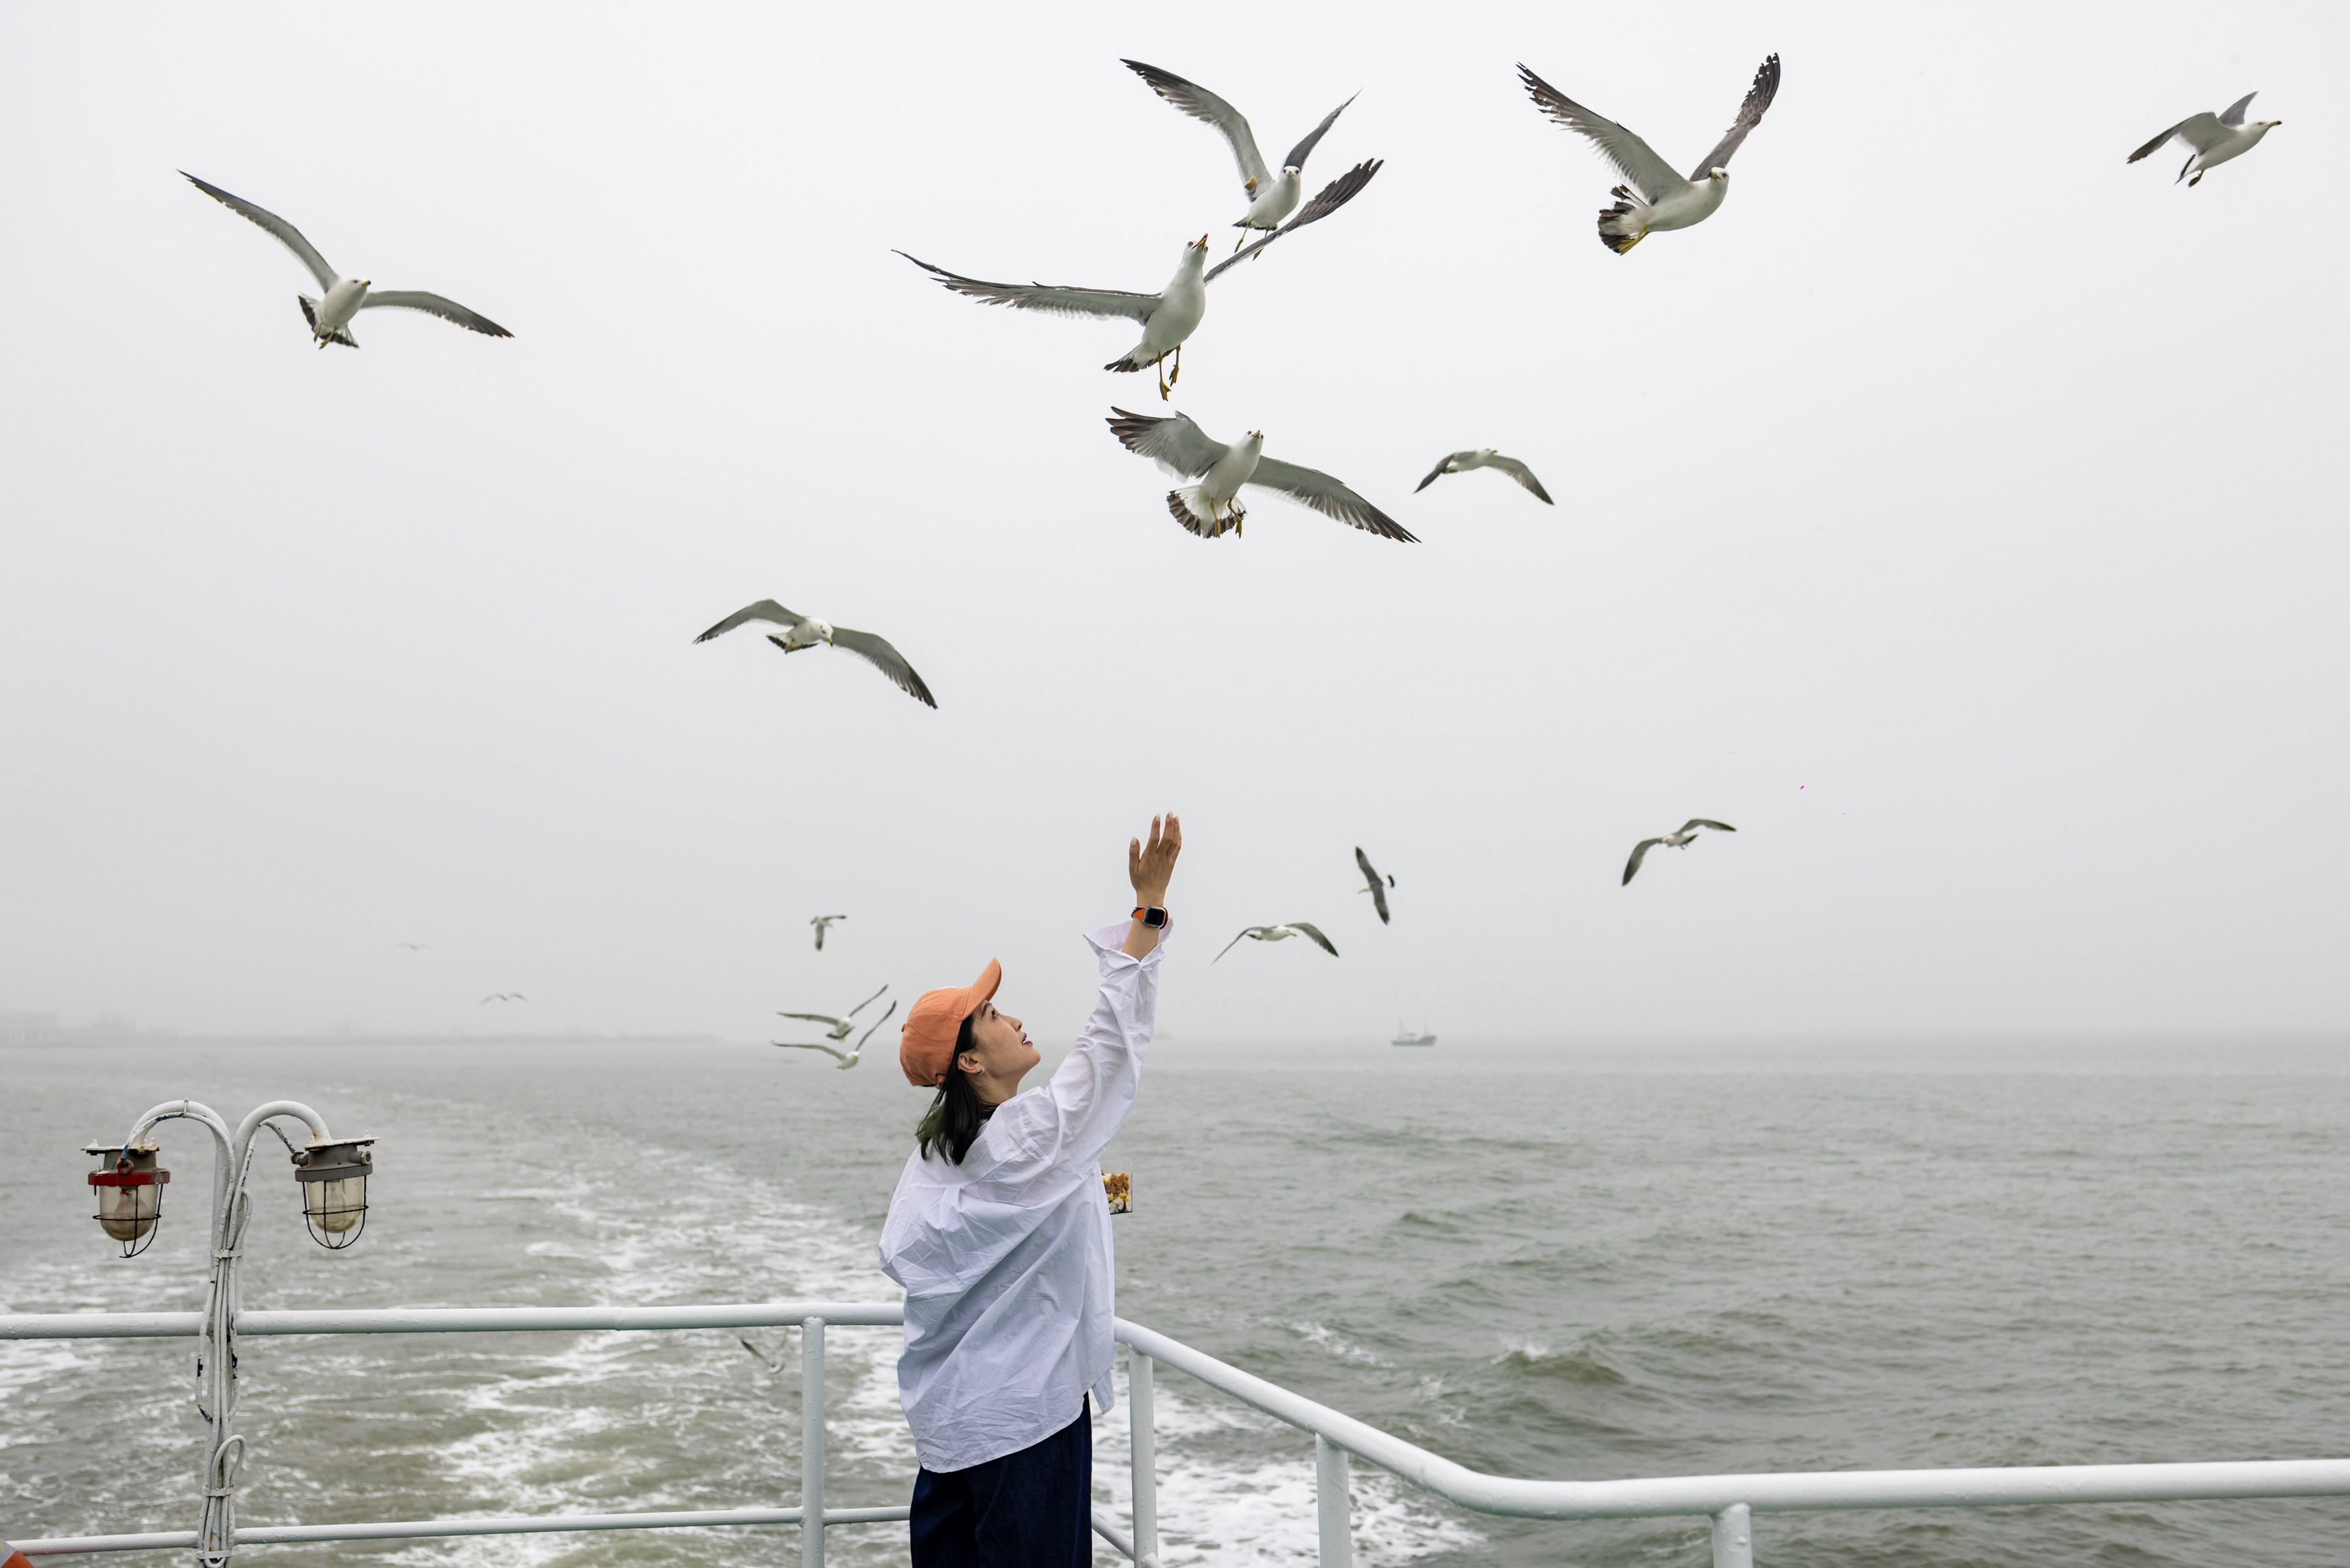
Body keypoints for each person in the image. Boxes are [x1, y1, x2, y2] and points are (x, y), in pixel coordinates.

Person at [878, 812, 1183, 1568]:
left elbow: (1002, 1219)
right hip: (1025, 1424)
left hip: (949, 1430)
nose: (1012, 1016)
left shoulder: (938, 1159)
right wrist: (1148, 906)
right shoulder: (1031, 1142)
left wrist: (1097, 1191)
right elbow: (1111, 1045)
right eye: (990, 1015)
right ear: (972, 1063)